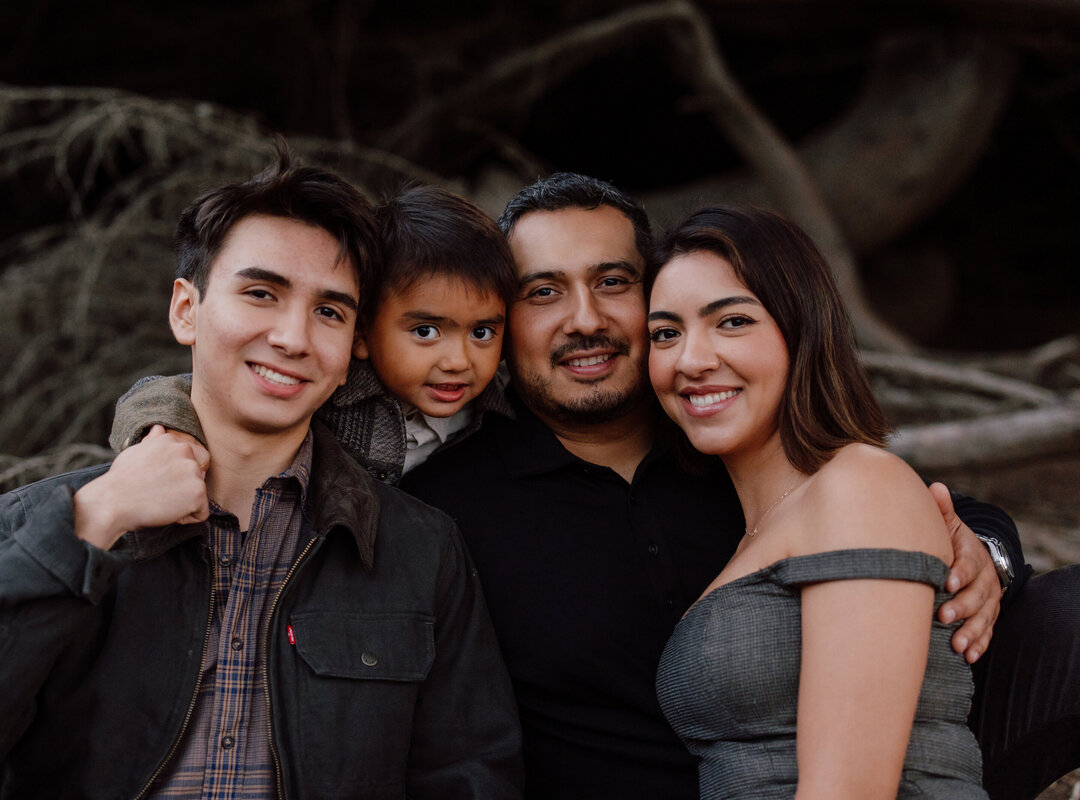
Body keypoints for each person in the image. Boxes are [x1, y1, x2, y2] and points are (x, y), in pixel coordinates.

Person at [400, 173, 1080, 800]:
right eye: (541, 292)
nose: (584, 319)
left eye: (613, 281)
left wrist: (982, 559)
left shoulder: (736, 444)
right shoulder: (446, 510)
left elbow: (930, 509)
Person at [0, 150, 523, 799]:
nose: (294, 338)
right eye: (261, 293)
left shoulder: (419, 550)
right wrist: (95, 518)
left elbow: (470, 775)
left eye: (329, 311)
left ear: (354, 342)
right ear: (186, 310)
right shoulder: (39, 523)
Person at [648, 205, 985, 798]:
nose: (690, 360)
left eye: (731, 322)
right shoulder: (759, 521)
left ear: (801, 328)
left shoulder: (860, 484)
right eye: (665, 333)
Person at [111, 184, 519, 485]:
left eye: (482, 331)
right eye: (426, 331)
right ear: (361, 333)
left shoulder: (503, 417)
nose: (458, 361)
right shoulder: (331, 392)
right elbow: (163, 392)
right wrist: (163, 435)